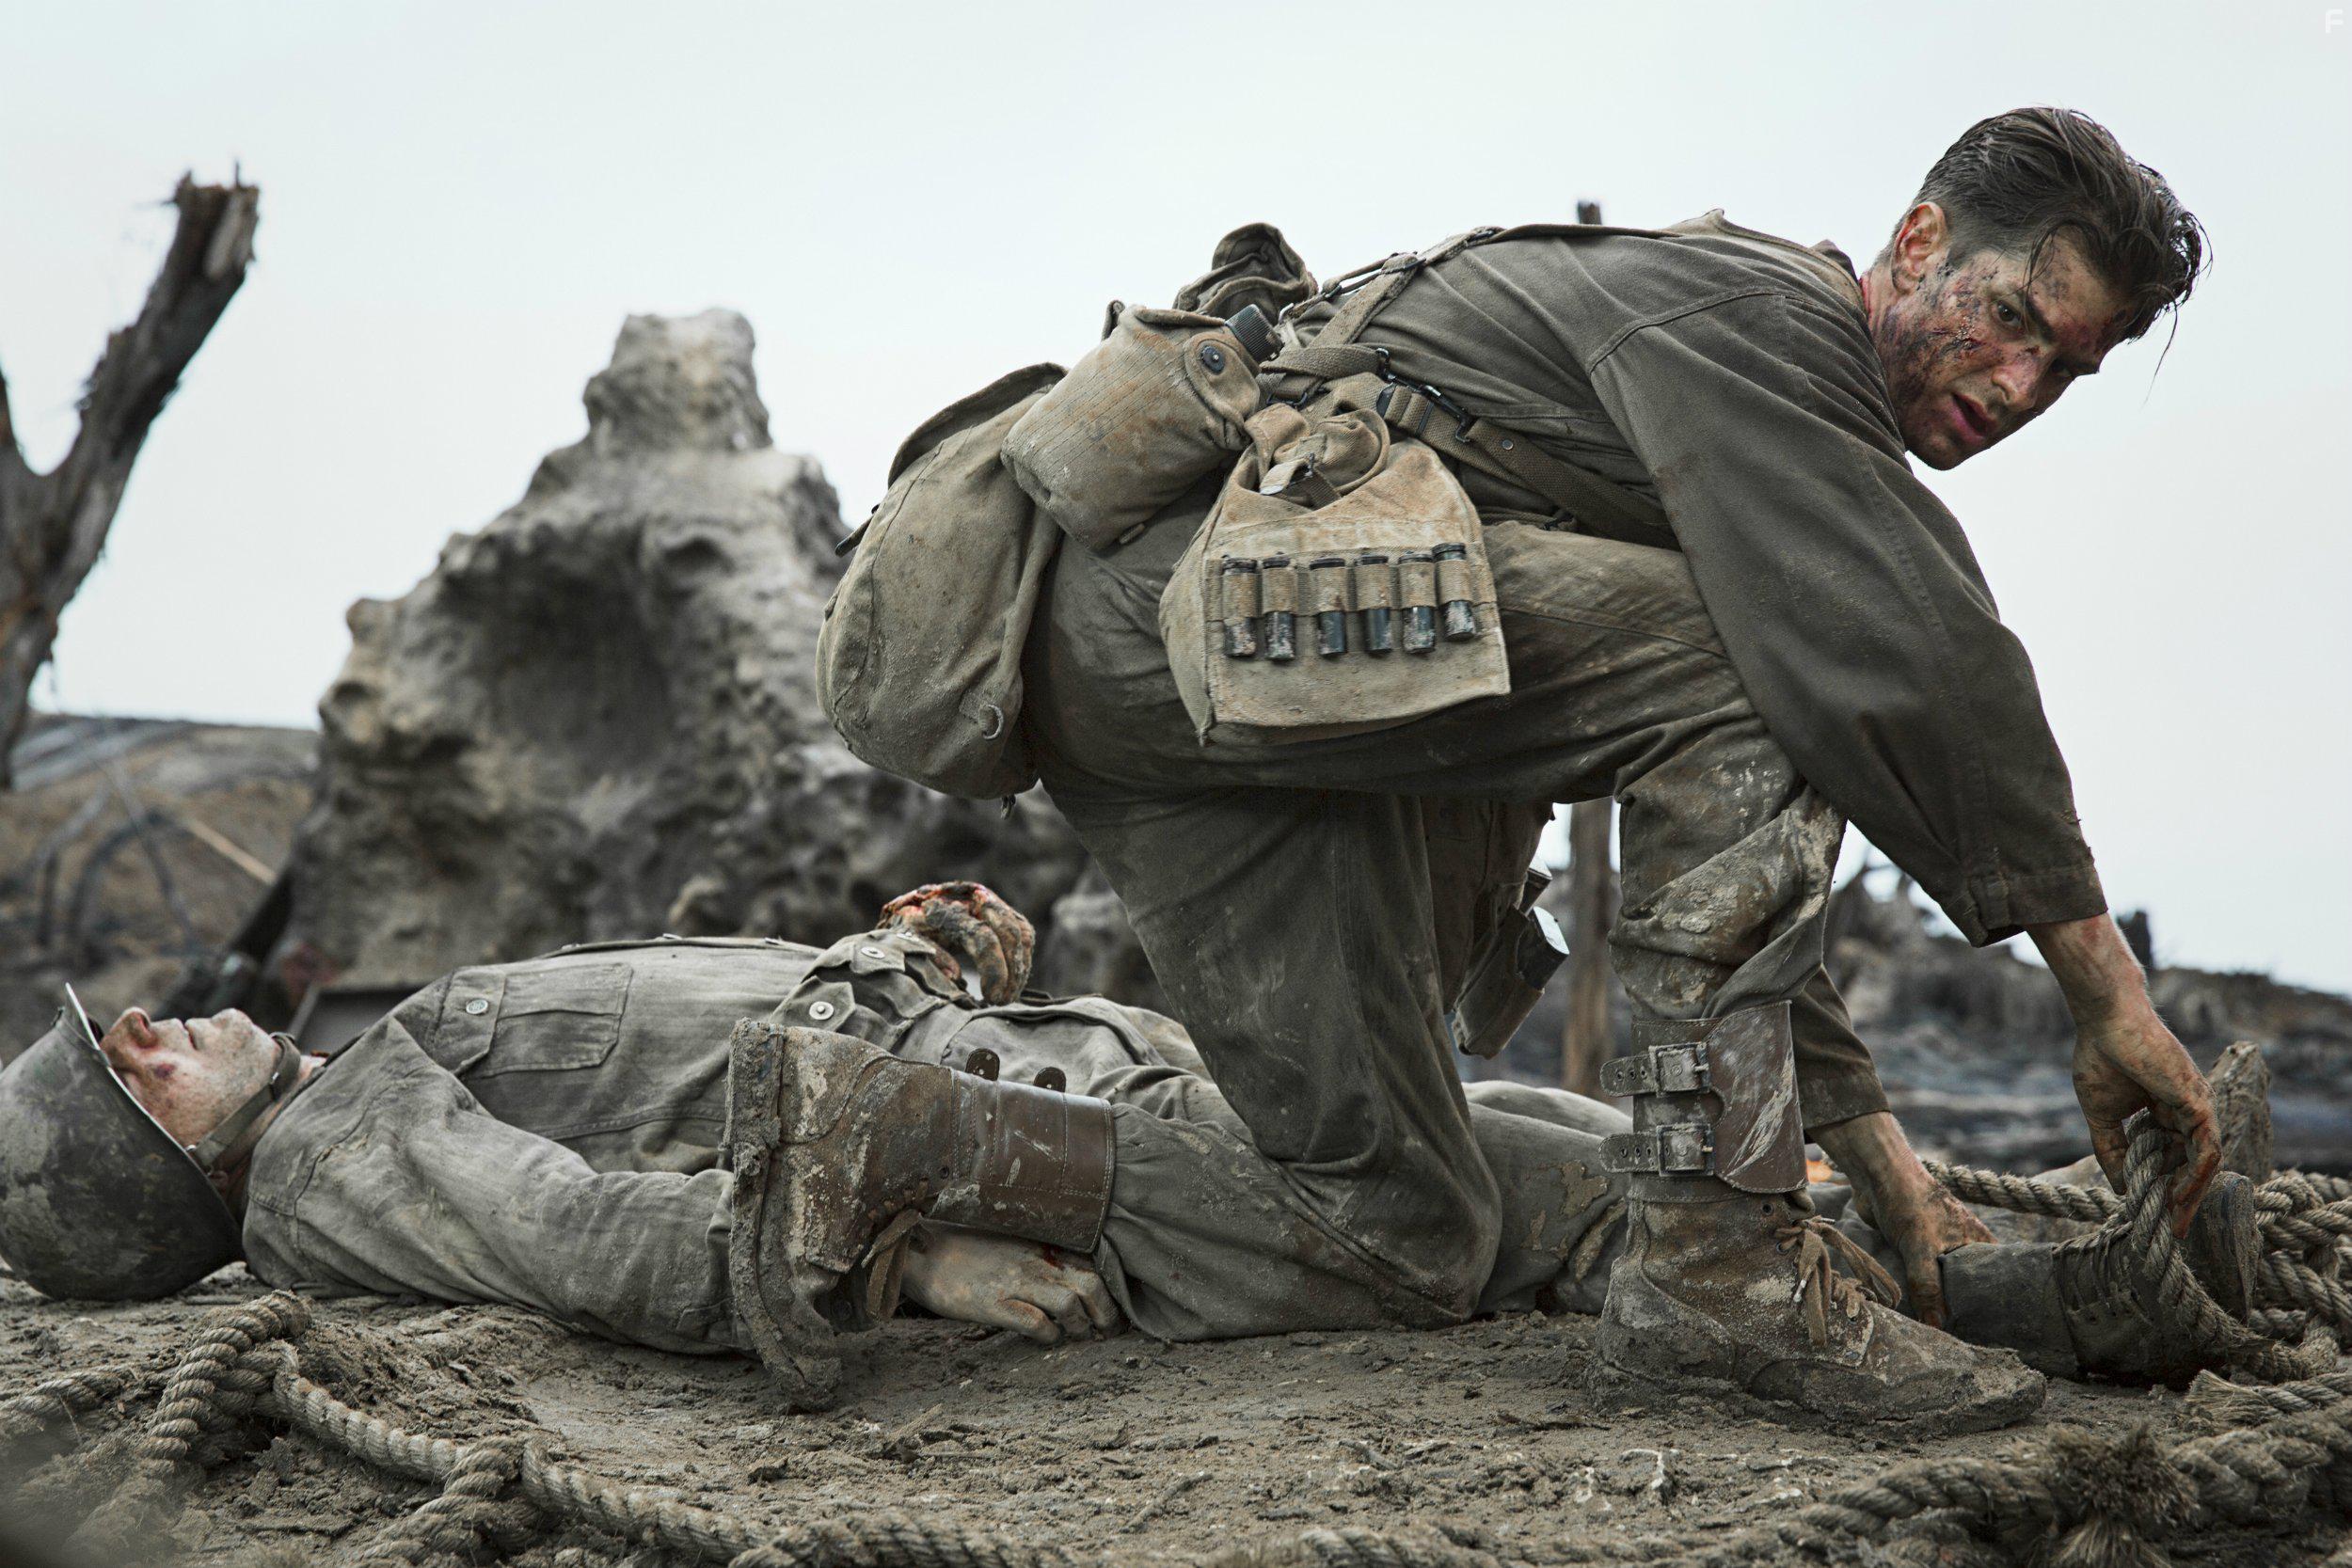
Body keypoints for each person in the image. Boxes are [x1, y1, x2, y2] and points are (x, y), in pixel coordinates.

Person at [1010, 106, 2217, 1427]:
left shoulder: (1754, 404)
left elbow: (1739, 870)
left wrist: (1895, 1185)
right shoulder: (1765, 318)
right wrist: (2109, 999)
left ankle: (906, 1136)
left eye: (2067, 372)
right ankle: (1715, 1271)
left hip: (1217, 669)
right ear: (1920, 242)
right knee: (1753, 667)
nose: (2020, 388)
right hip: (1176, 617)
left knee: (1396, 1232)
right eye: (2017, 323)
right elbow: (1926, 662)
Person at [0, 885, 2255, 1415]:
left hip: (1051, 1089)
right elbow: (619, 1251)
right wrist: (914, 1272)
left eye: (129, 1028)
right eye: (132, 1072)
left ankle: (1996, 1274)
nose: (156, 1022)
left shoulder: (364, 1066)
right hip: (1028, 1167)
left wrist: (899, 950)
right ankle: (2031, 1315)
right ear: (158, 1180)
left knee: (1553, 1132)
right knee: (1561, 1203)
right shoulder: (328, 1169)